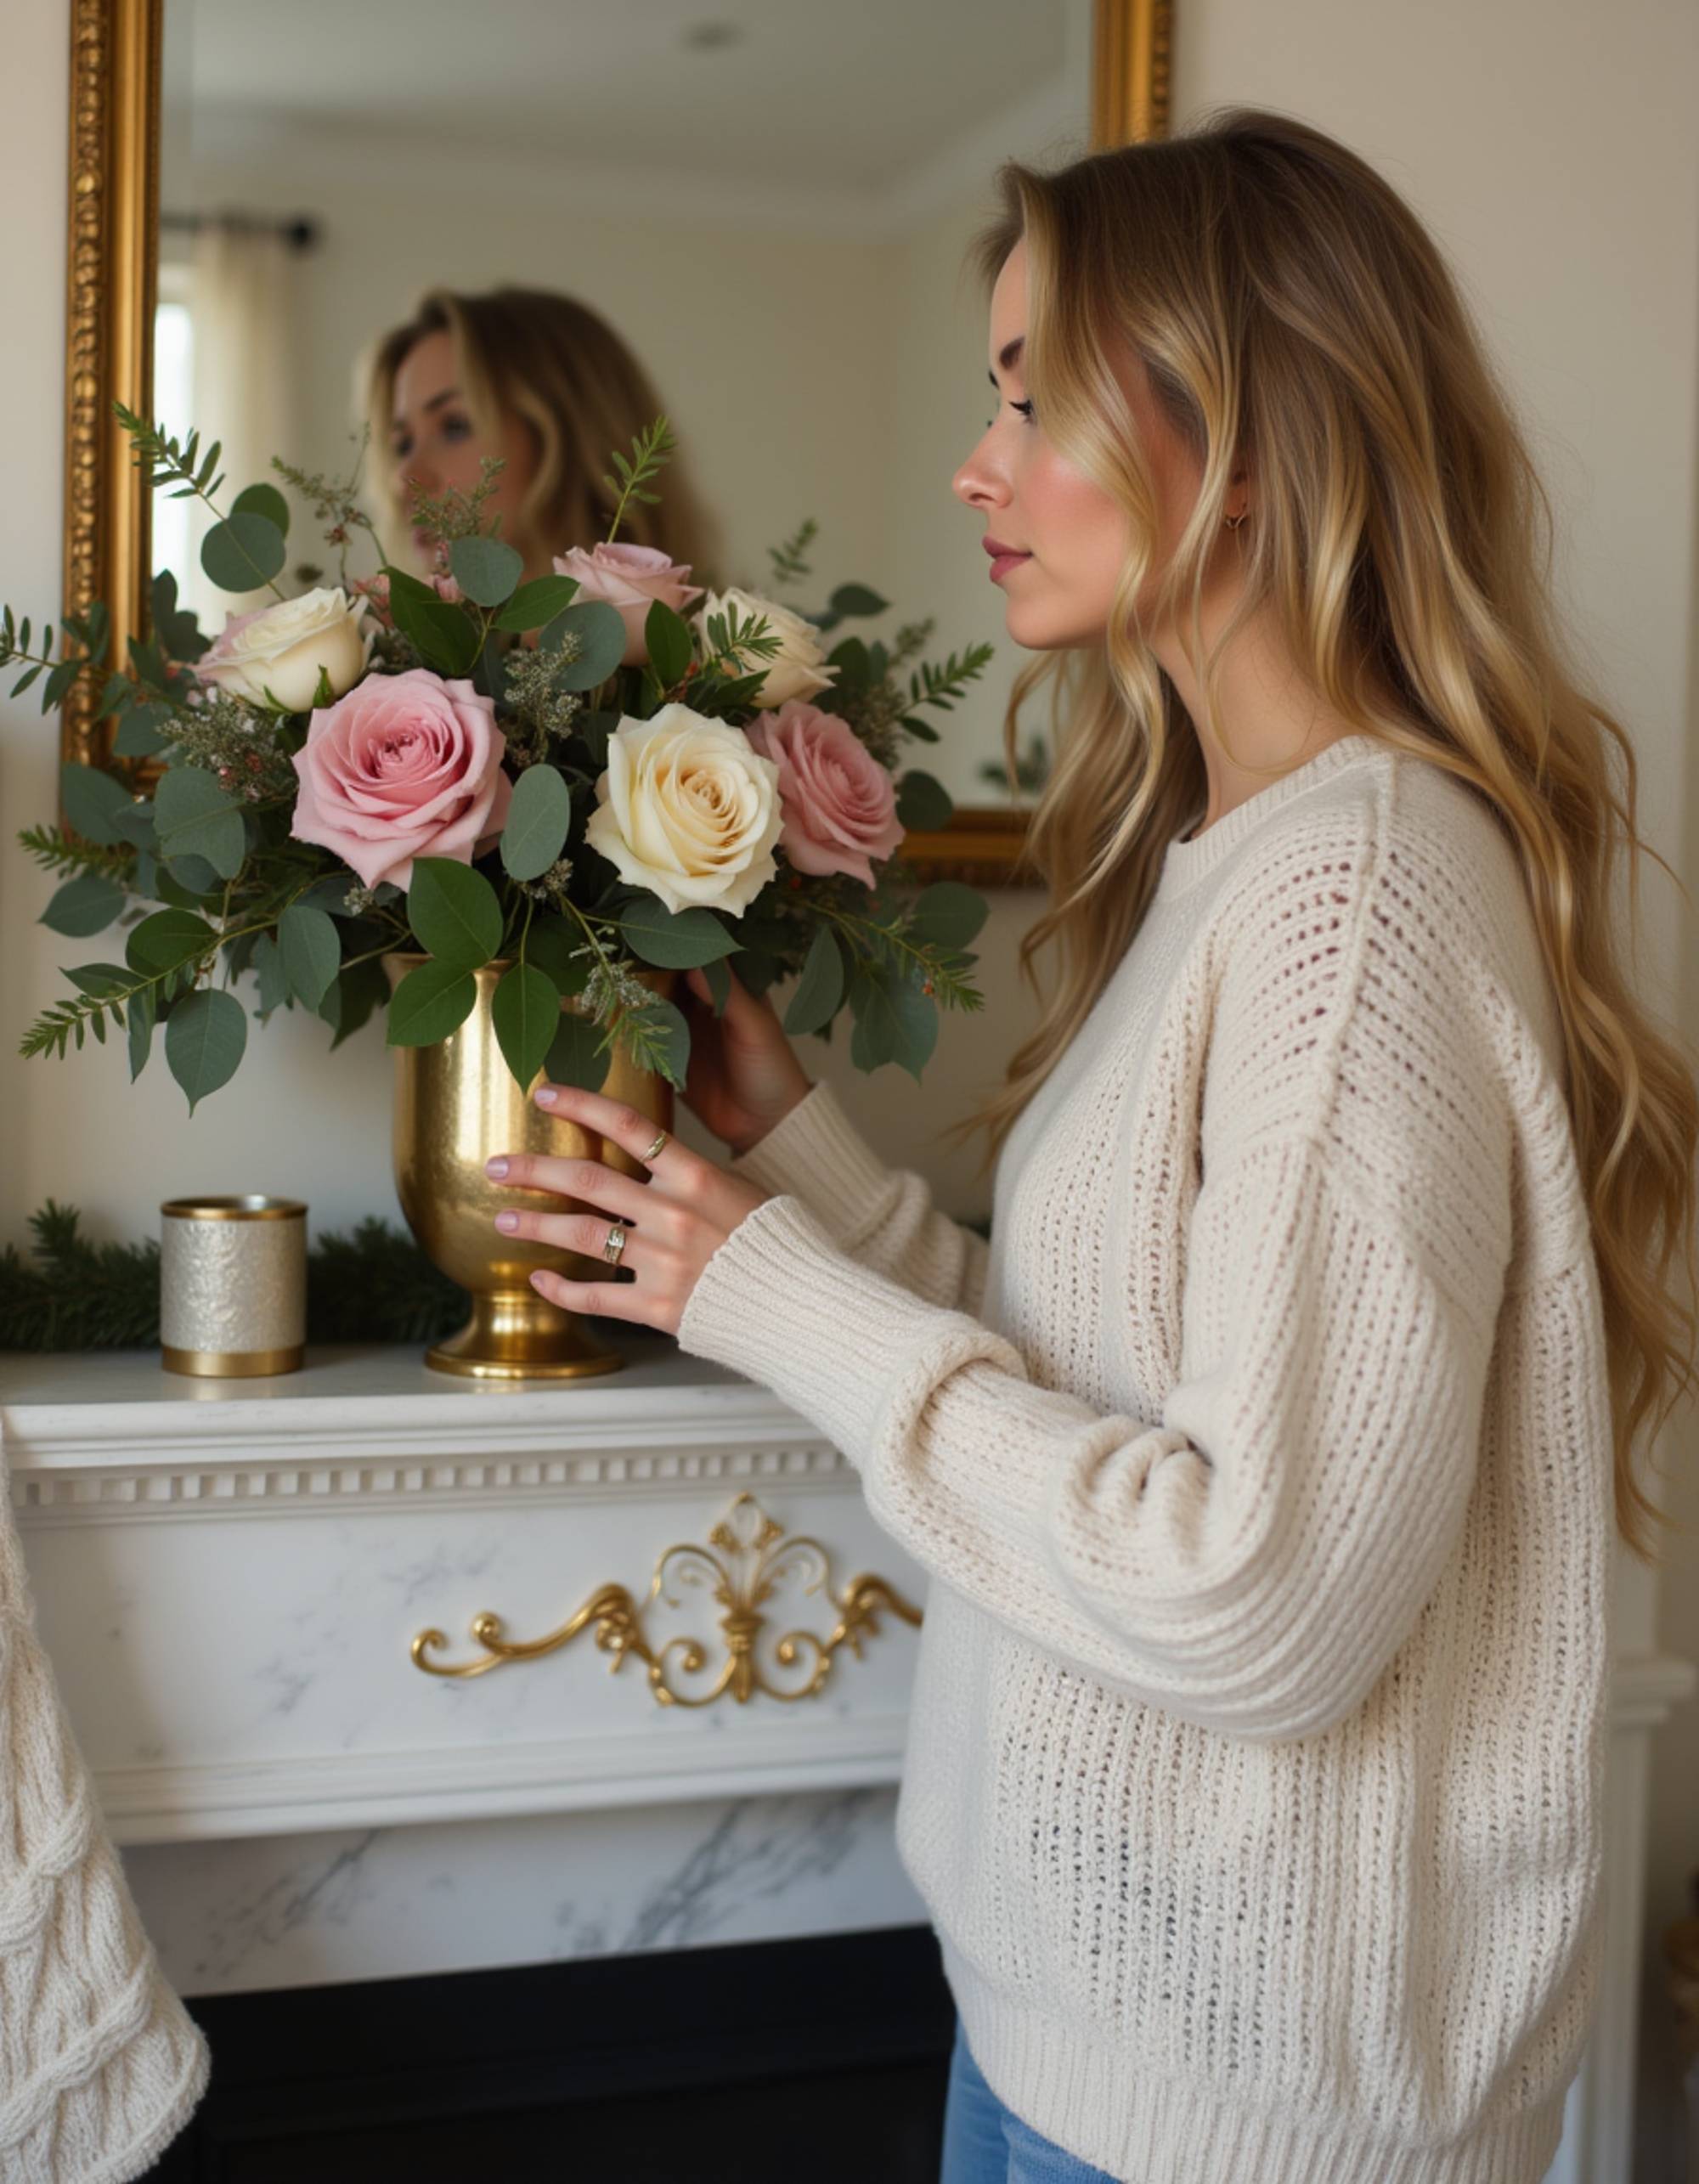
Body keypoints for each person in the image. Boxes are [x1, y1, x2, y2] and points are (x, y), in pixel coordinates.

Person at [481, 108, 1698, 2184]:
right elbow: (1127, 1390)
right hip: (1072, 2043)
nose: (978, 466)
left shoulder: (1360, 895)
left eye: (1033, 398)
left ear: (1244, 423)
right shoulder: (1242, 863)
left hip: (1231, 2125)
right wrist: (815, 1168)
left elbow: (1255, 1597)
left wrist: (759, 1292)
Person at [364, 285, 721, 585]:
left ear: (568, 437)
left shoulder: (731, 662)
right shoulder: (370, 659)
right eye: (403, 444)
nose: (404, 478)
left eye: (455, 426)